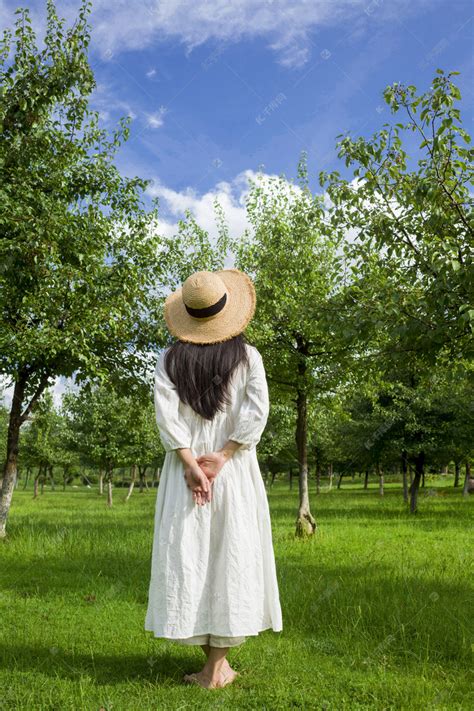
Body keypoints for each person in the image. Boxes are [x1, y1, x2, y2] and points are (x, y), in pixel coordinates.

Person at [144, 268, 283, 690]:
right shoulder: (248, 357)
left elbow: (167, 417)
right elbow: (255, 413)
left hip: (186, 471)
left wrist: (190, 462)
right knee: (229, 556)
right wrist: (221, 458)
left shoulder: (170, 359)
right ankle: (216, 668)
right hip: (233, 469)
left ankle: (213, 667)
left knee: (194, 557)